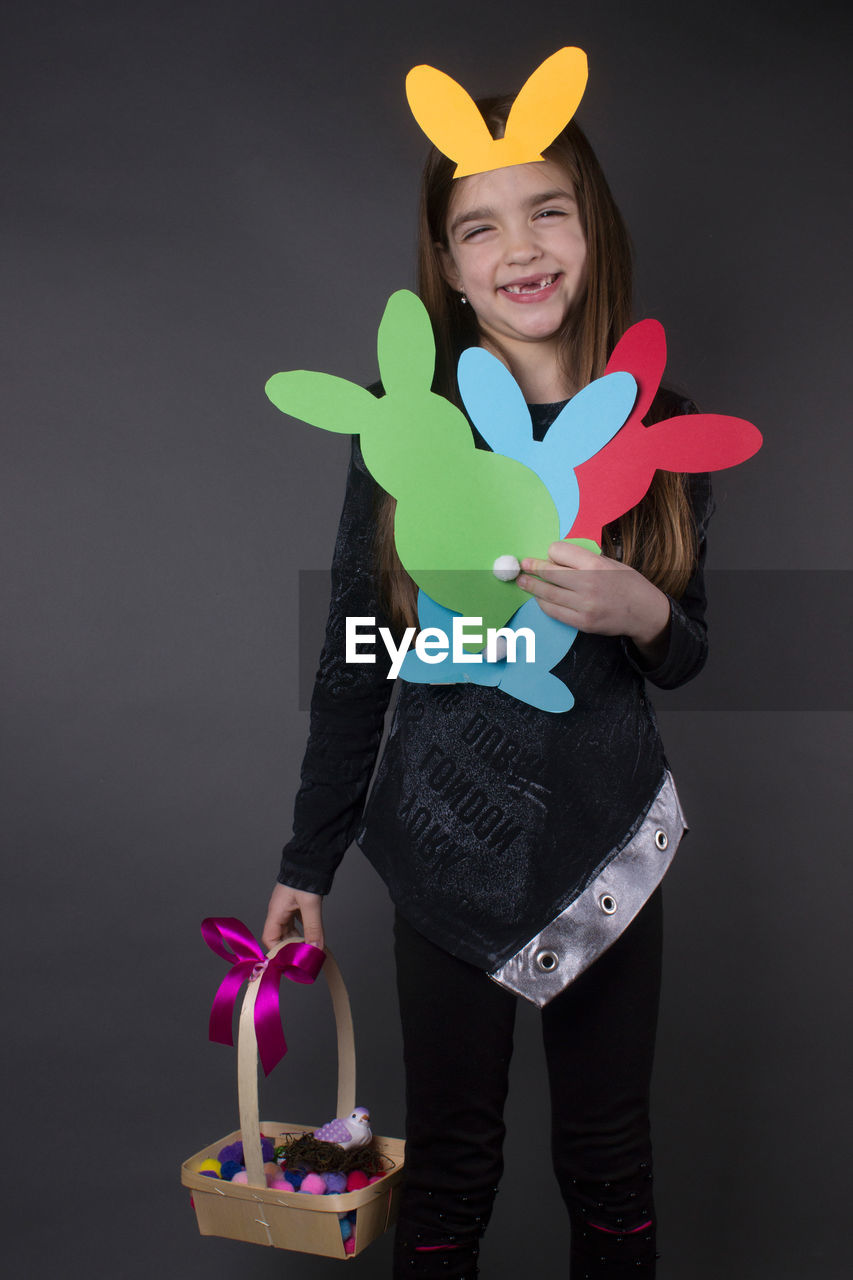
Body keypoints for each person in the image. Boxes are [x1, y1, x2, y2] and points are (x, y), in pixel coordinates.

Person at [261, 93, 714, 1279]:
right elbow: (356, 650)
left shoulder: (651, 424)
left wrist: (642, 610)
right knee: (454, 1161)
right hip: (440, 837)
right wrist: (307, 858)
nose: (519, 248)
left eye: (546, 210)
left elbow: (690, 643)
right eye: (479, 227)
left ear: (591, 228)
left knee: (608, 1157)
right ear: (450, 269)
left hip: (605, 835)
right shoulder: (412, 430)